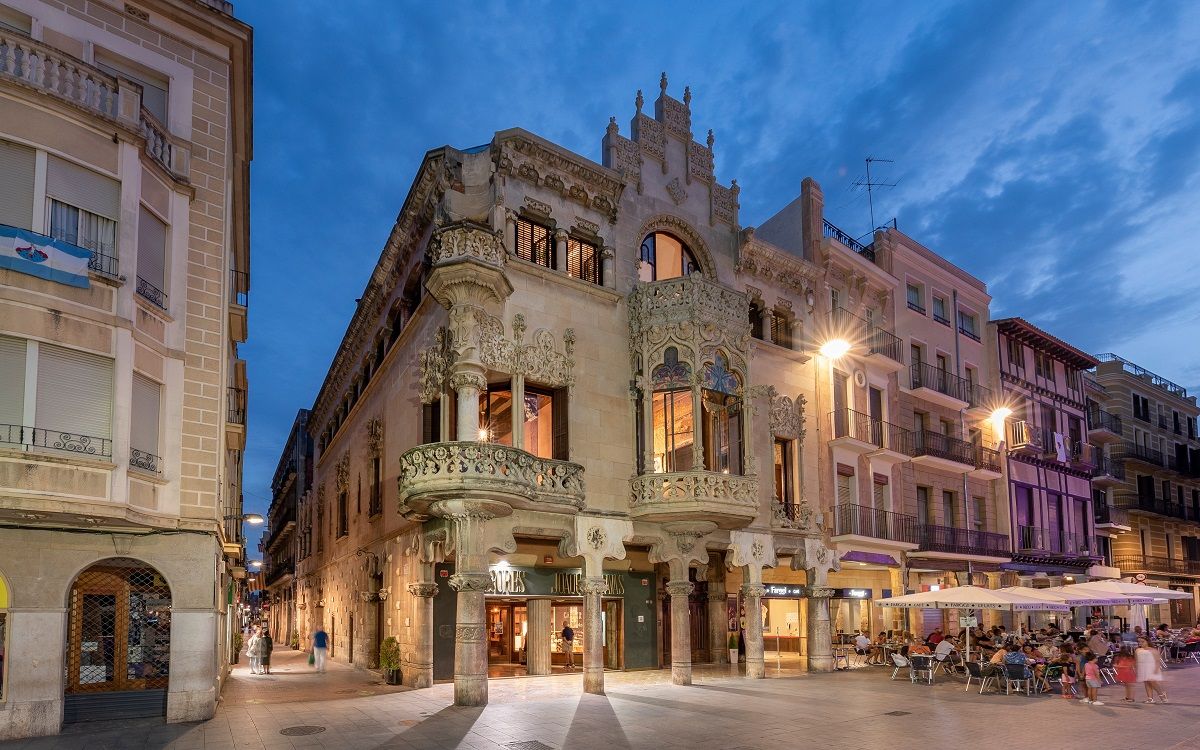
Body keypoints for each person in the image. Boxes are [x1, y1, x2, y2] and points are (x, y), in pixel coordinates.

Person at [1136, 636, 1167, 703]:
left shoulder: (1153, 650)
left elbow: (1157, 661)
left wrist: (1156, 669)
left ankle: (1162, 694)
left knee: (1153, 682)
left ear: (1147, 642)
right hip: (1143, 667)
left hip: (1151, 667)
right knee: (1146, 682)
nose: (1140, 643)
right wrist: (1136, 669)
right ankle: (1150, 698)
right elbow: (1136, 660)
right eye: (1139, 642)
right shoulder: (1137, 650)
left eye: (1142, 641)